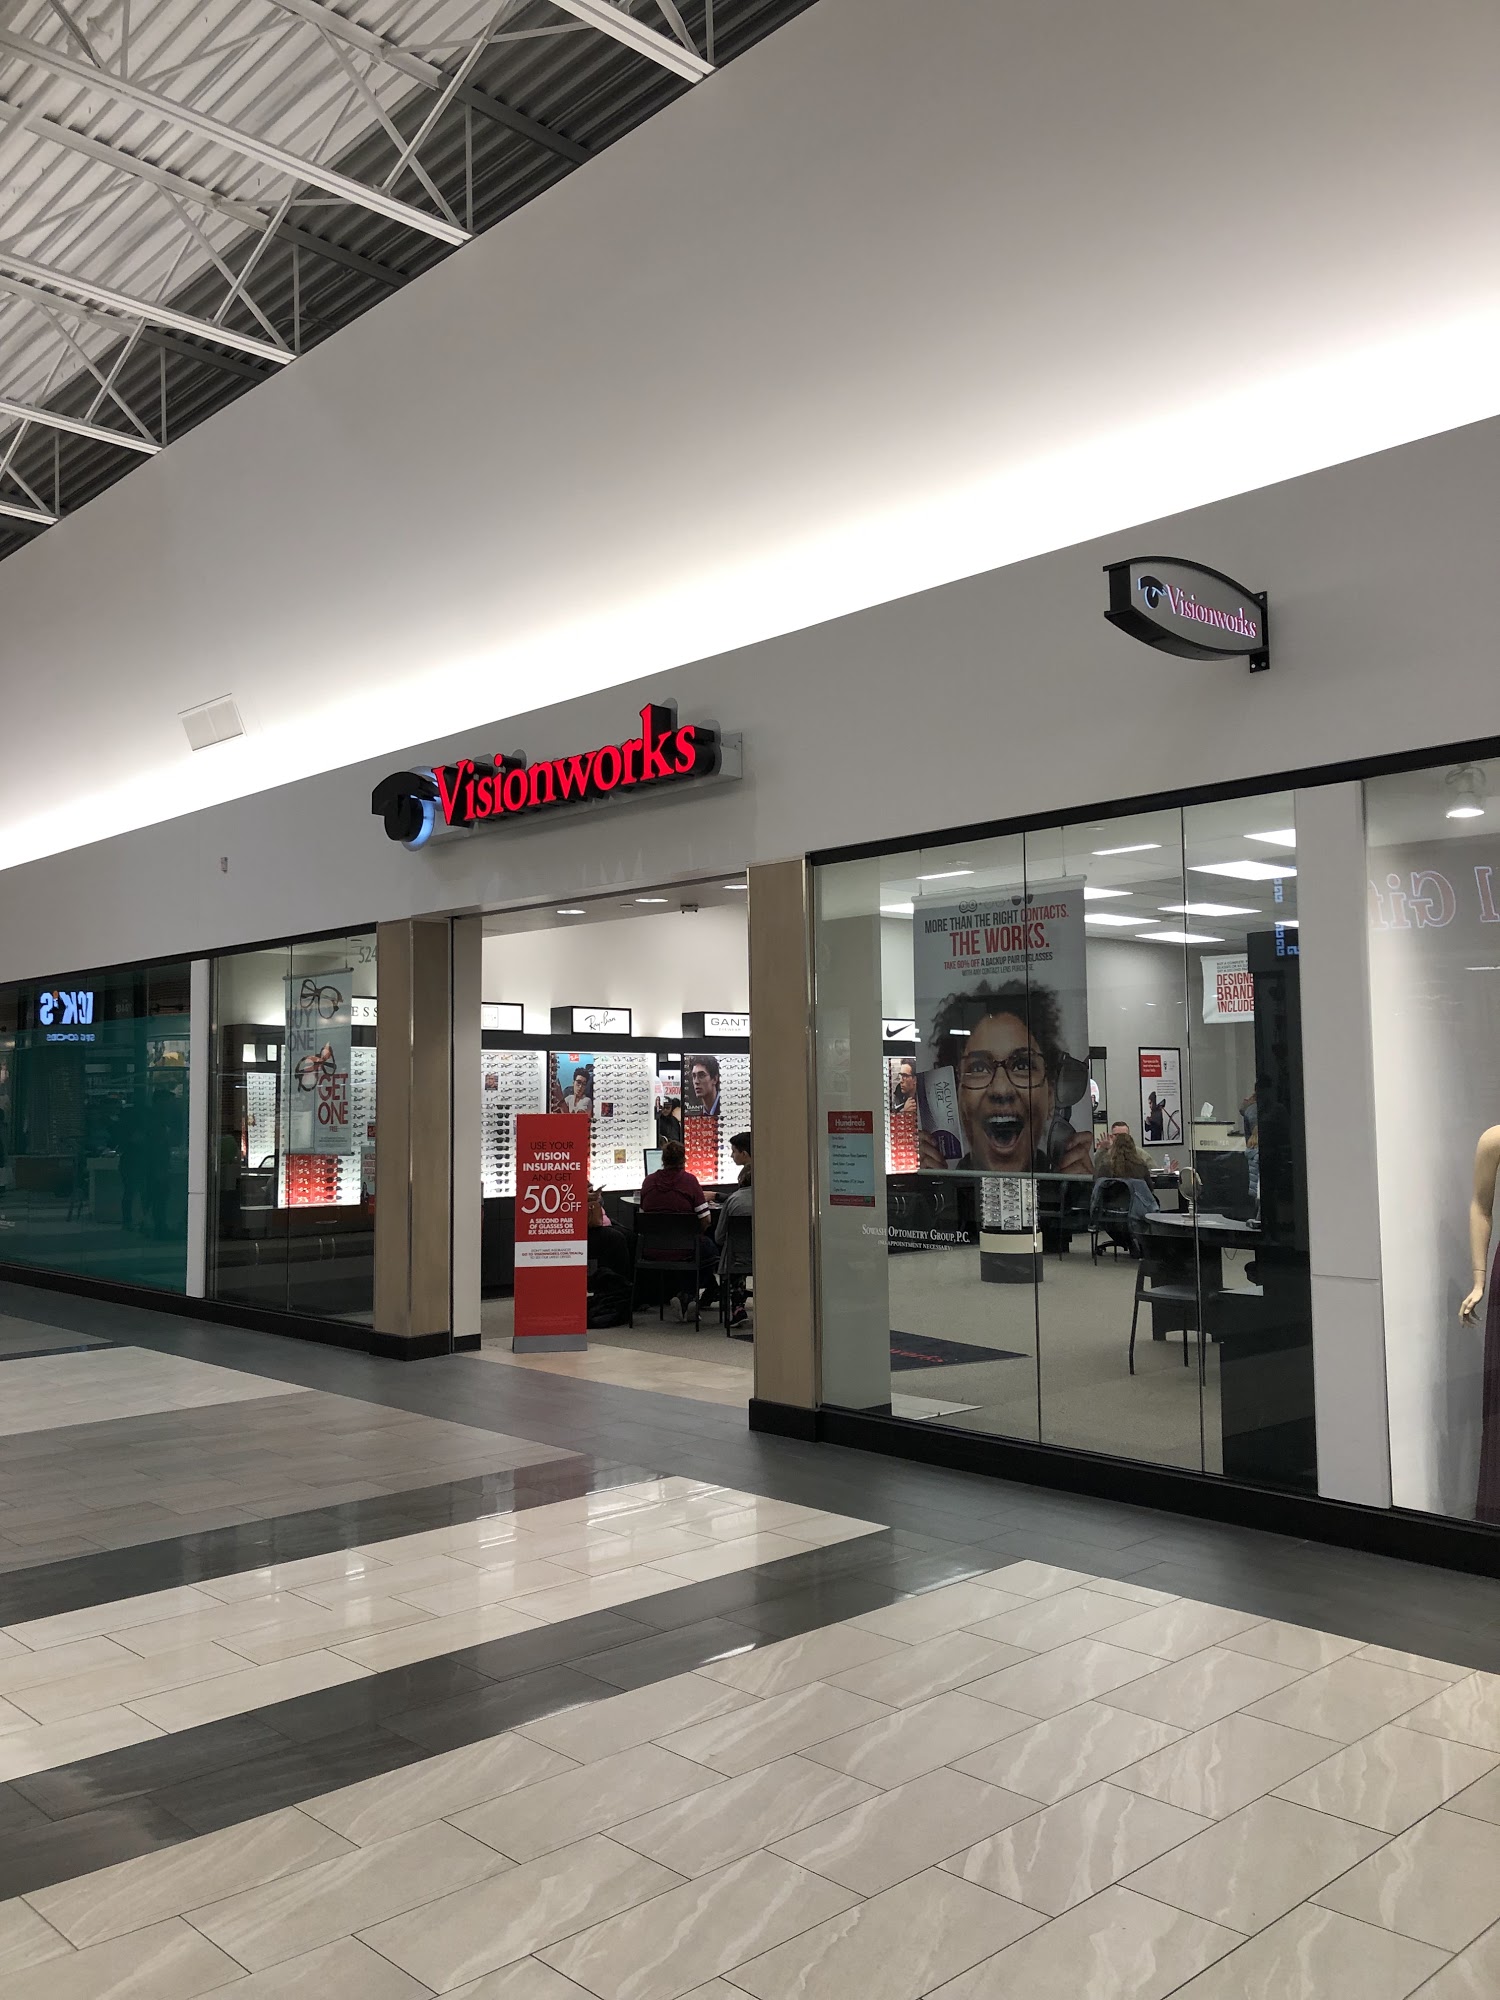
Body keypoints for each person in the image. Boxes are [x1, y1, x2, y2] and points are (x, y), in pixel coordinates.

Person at [917, 980, 1092, 1176]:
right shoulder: (940, 1189)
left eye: (1022, 1065)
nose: (1001, 1090)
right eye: (978, 1068)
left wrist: (1077, 1189)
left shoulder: (1070, 1185)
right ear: (956, 1097)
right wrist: (939, 1186)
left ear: (1051, 1095)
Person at [638, 1138, 715, 1312]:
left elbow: (643, 1218)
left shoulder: (648, 1182)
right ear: (683, 1159)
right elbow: (706, 1220)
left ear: (663, 1159)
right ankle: (688, 1294)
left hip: (651, 1249)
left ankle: (682, 1295)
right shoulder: (690, 1181)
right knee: (710, 1250)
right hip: (685, 1249)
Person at [715, 1163, 753, 1330]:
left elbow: (719, 1236)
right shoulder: (771, 1199)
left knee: (731, 1252)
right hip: (767, 1258)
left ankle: (737, 1308)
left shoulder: (733, 1200)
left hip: (737, 1260)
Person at [687, 1054, 720, 1119]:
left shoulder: (726, 1108)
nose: (696, 1081)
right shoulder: (695, 1115)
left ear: (715, 1079)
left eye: (701, 1075)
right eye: (694, 1076)